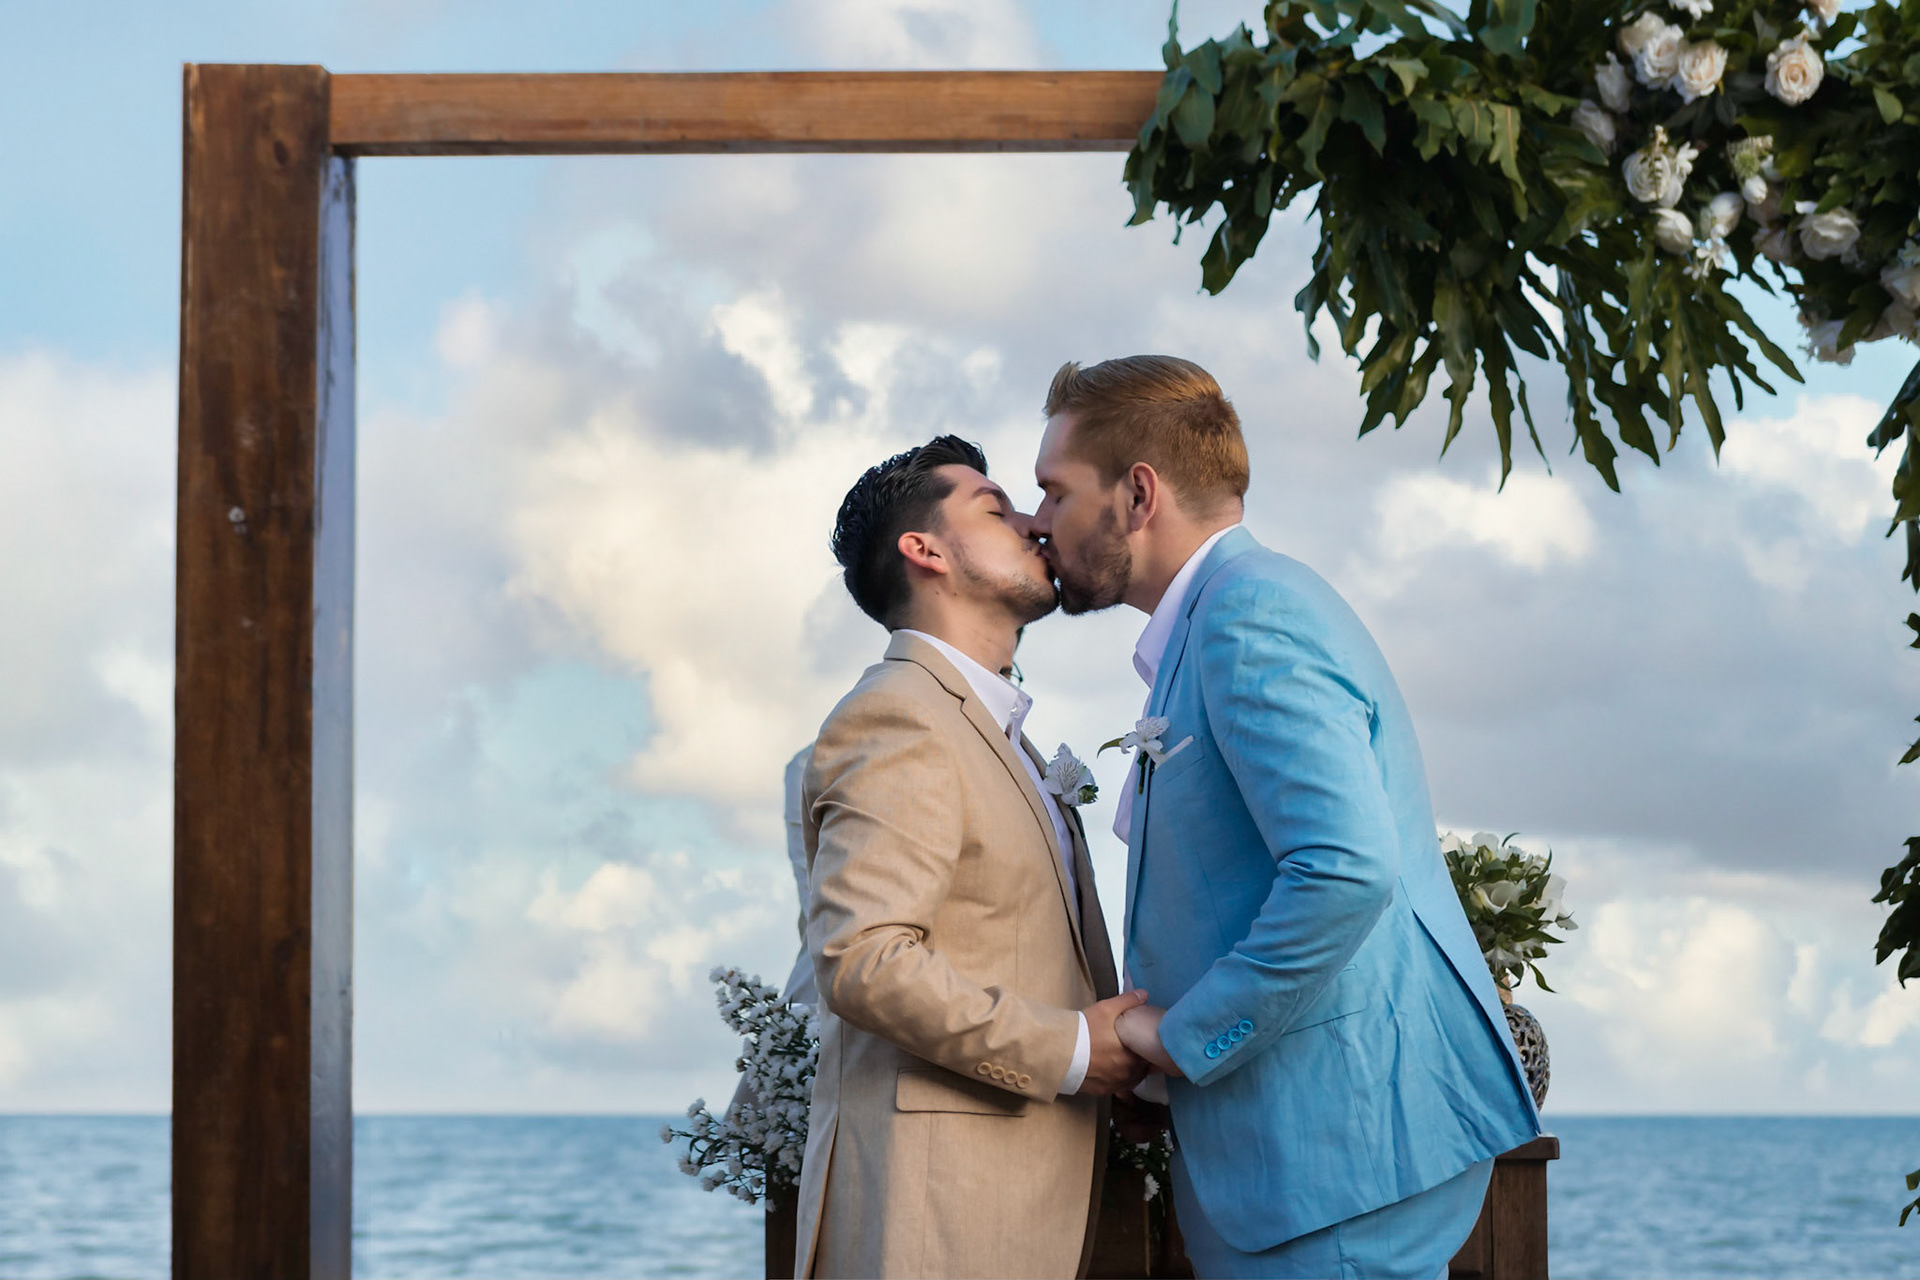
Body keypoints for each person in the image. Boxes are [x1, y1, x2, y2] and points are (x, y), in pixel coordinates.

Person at [1029, 356, 1541, 1280]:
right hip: (1304, 1157)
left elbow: (1345, 869)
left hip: (1333, 1163)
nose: (1036, 521)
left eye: (1054, 491)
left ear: (1138, 494)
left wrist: (1181, 1040)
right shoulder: (1220, 618)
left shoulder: (1250, 614)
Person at [794, 435, 1147, 1279]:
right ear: (926, 552)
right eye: (995, 509)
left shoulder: (999, 734)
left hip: (1025, 1203)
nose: (1034, 523)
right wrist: (1071, 1049)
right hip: (935, 1219)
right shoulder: (898, 716)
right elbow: (861, 957)